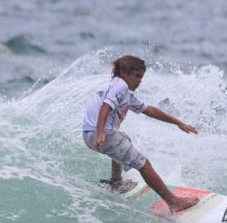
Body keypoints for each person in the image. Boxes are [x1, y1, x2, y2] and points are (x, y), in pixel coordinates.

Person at [82, 55, 199, 212]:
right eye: (137, 76)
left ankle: (116, 183)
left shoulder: (119, 90)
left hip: (89, 133)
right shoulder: (120, 86)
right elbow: (105, 107)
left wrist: (178, 123)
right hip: (102, 133)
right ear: (124, 73)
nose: (140, 81)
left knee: (125, 139)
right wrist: (101, 132)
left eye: (141, 77)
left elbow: (149, 110)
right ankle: (173, 202)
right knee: (144, 164)